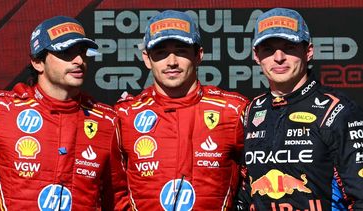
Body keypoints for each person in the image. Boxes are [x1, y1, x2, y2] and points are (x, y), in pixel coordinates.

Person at [0, 16, 128, 210]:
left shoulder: (106, 120)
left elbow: (117, 197)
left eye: (82, 52)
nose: (79, 60)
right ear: (38, 62)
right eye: (66, 53)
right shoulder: (1, 109)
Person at [114, 10, 249, 210]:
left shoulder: (234, 109)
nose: (171, 62)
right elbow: (112, 190)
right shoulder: (124, 114)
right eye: (160, 53)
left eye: (181, 51)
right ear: (146, 58)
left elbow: (256, 181)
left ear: (198, 55)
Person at [238, 8, 363, 210]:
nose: (279, 57)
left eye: (289, 47)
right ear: (256, 55)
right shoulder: (252, 111)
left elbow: (360, 197)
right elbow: (245, 193)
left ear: (309, 51)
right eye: (268, 49)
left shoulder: (337, 111)